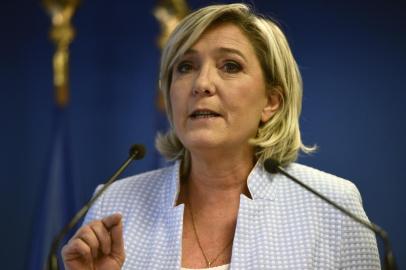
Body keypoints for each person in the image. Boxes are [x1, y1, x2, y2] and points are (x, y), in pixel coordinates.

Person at [62, 3, 380, 270]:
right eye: (185, 67)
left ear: (271, 102)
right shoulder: (115, 203)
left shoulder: (334, 206)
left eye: (229, 66)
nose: (202, 83)